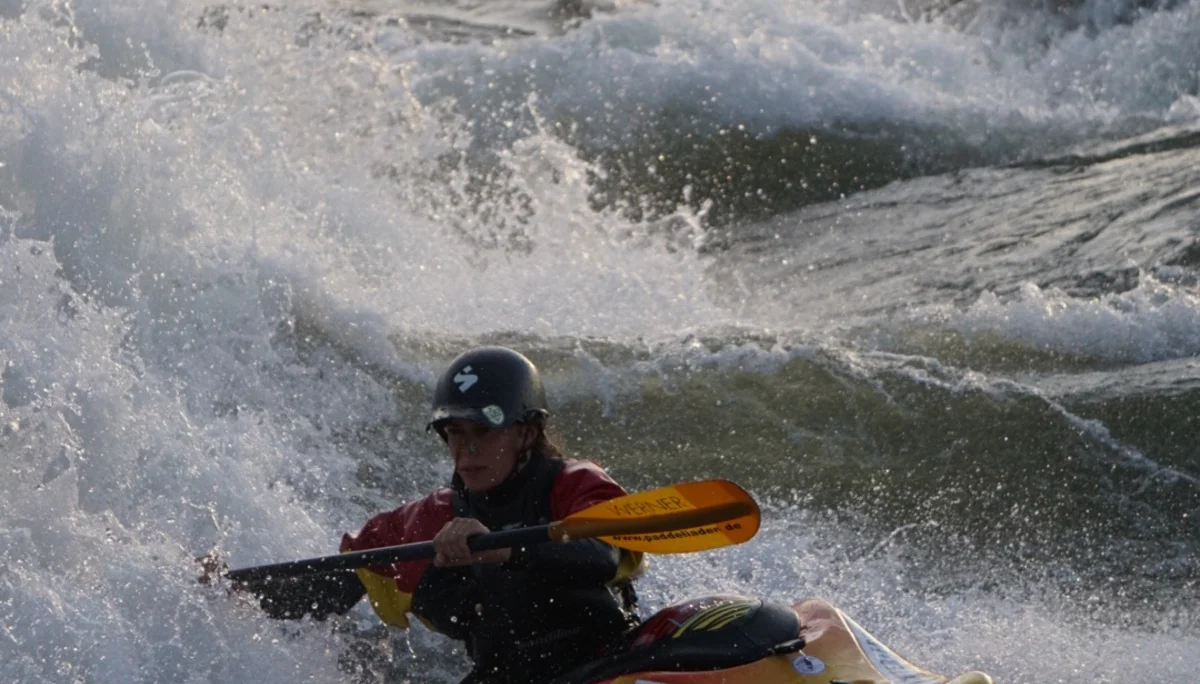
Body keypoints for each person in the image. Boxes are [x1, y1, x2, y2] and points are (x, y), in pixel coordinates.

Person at [239, 346, 644, 684]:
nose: (466, 451)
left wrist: (501, 551)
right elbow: (341, 584)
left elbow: (603, 554)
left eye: (483, 432)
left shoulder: (575, 483)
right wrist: (232, 595)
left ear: (528, 432)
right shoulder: (430, 519)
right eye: (455, 433)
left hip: (605, 661)